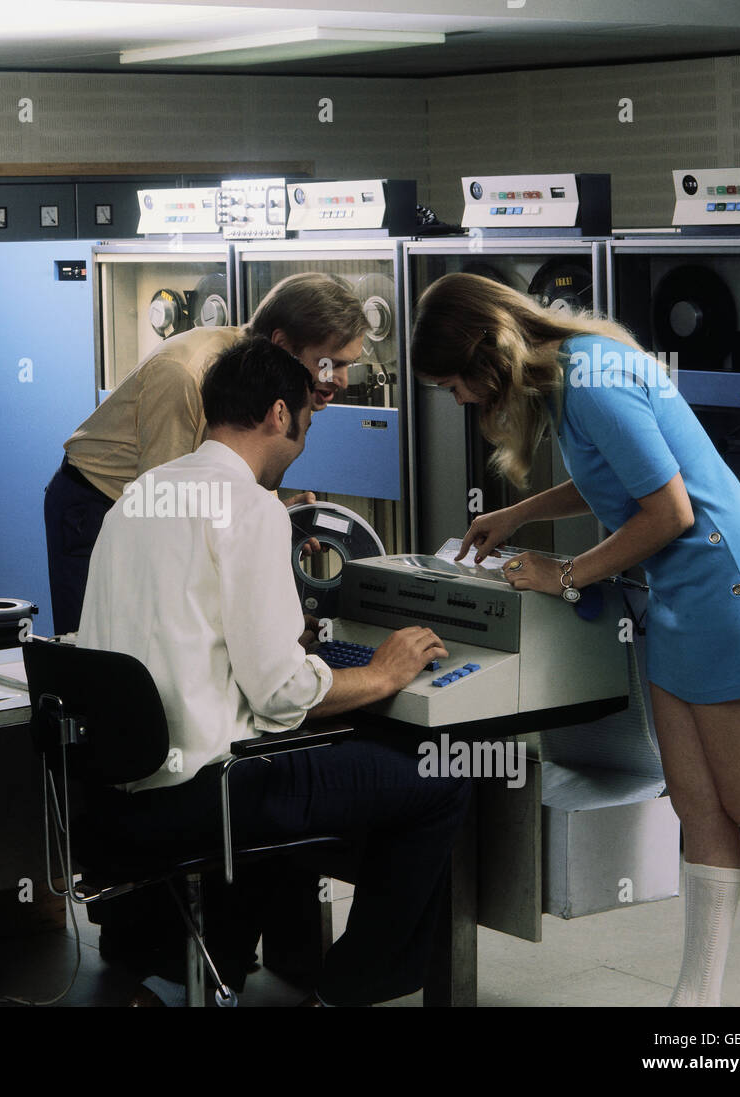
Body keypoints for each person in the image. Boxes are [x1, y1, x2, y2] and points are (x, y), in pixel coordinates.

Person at [409, 271, 740, 1007]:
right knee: (696, 808)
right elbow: (621, 478)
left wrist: (565, 572)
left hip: (727, 586)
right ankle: (695, 1002)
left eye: (453, 385)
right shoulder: (572, 373)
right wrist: (521, 516)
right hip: (677, 593)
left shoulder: (592, 379)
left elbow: (668, 510)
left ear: (486, 359)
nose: (460, 400)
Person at [76, 336, 470, 1006]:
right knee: (442, 774)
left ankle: (198, 966)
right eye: (307, 426)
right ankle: (351, 990)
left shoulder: (138, 496)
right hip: (212, 795)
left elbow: (169, 637)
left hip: (113, 798)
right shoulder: (251, 505)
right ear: (280, 415)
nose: (303, 446)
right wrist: (380, 672)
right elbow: (282, 693)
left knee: (316, 761)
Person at [44, 272, 369, 635]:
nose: (341, 380)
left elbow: (232, 473)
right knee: (94, 649)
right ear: (282, 344)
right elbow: (165, 516)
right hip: (96, 503)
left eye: (347, 366)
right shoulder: (186, 375)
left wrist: (268, 516)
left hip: (158, 502)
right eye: (331, 363)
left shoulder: (262, 376)